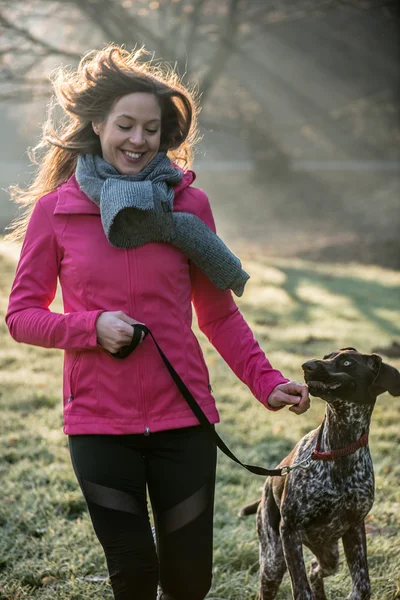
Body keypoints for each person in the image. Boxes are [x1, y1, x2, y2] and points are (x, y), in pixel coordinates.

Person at [5, 45, 310, 600]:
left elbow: (217, 311)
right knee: (136, 574)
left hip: (183, 423)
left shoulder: (188, 208)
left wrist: (267, 382)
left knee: (189, 583)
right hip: (99, 426)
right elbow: (22, 317)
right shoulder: (58, 211)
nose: (138, 140)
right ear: (97, 123)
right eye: (125, 125)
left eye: (151, 128)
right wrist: (89, 328)